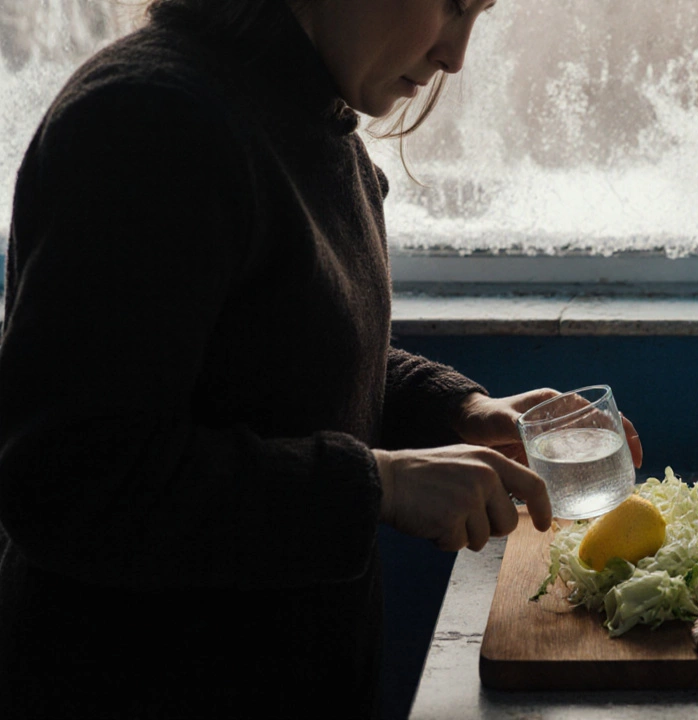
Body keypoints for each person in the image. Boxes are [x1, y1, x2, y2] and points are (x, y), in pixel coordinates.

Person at [0, 0, 642, 717]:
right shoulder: (148, 122)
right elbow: (66, 478)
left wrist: (460, 409)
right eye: (453, 4)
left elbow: (285, 355)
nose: (455, 57)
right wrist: (378, 484)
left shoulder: (307, 113)